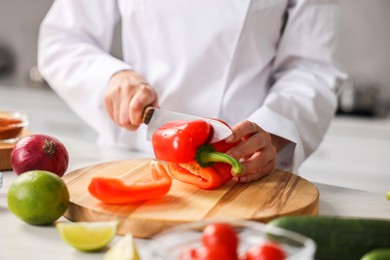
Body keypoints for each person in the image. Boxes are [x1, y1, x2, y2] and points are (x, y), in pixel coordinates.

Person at [38, 0, 345, 183]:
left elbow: (311, 68)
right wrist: (113, 77)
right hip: (134, 161)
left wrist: (274, 133)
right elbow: (63, 39)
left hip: (246, 169)